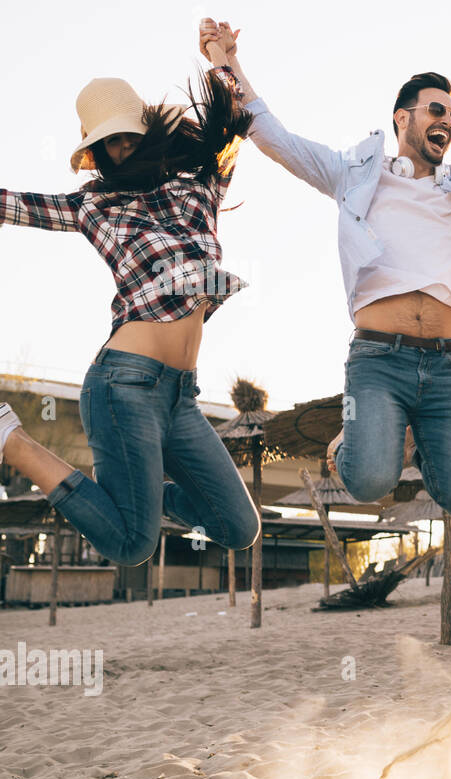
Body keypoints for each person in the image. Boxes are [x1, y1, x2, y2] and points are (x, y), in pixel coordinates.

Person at [200, 19, 451, 519]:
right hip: (378, 360)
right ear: (402, 117)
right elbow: (272, 134)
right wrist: (226, 62)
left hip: (447, 364)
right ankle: (351, 438)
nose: (449, 121)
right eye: (437, 110)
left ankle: (410, 431)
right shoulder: (353, 174)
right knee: (371, 480)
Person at [0, 30, 260, 567]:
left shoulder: (198, 185)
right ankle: (10, 439)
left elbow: (237, 118)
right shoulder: (92, 206)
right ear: (95, 151)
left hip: (179, 395)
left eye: (128, 135)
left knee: (238, 526)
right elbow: (13, 205)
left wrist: (220, 56)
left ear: (147, 130)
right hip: (124, 384)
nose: (122, 148)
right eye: (109, 142)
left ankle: (132, 496)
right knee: (130, 545)